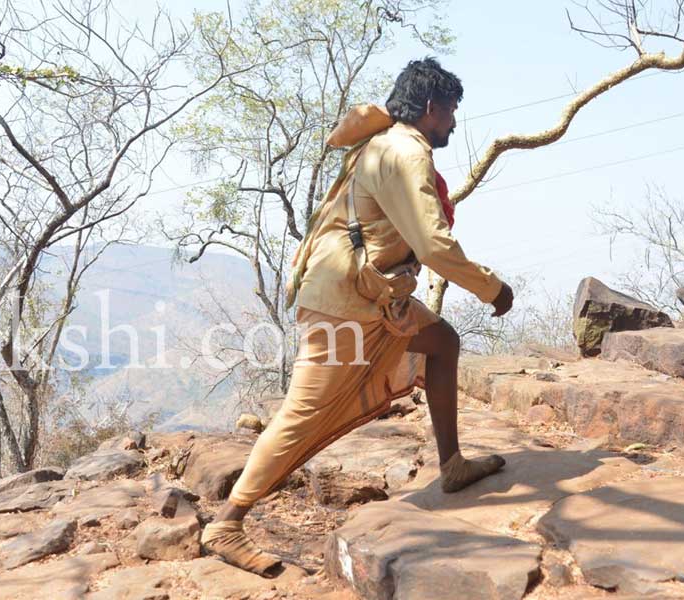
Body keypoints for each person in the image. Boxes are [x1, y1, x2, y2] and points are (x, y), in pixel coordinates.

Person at [199, 57, 514, 577]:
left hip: (367, 299)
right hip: (346, 305)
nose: (454, 123)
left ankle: (452, 465)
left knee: (442, 342)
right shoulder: (404, 150)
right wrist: (492, 288)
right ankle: (226, 524)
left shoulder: (380, 144)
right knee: (303, 415)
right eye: (452, 111)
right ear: (432, 107)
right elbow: (433, 245)